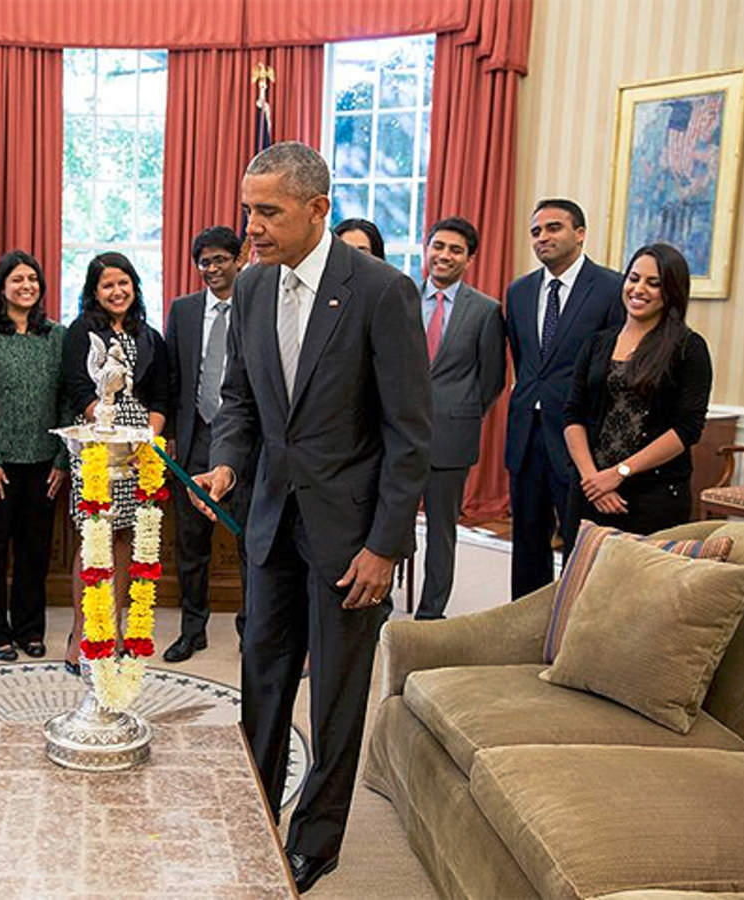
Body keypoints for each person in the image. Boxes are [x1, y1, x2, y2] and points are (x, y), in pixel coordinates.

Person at [191, 142, 431, 894]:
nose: (250, 227)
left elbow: (408, 434)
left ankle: (316, 841)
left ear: (317, 209)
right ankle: (255, 812)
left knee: (333, 696)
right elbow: (239, 402)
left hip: (349, 537)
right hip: (269, 527)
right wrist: (229, 462)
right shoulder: (254, 290)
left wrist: (385, 547)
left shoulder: (381, 291)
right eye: (247, 209)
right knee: (261, 679)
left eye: (268, 210)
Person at [505, 198, 624, 599]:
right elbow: (525, 363)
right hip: (526, 436)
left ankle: (574, 629)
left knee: (579, 546)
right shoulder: (519, 291)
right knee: (526, 544)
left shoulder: (611, 289)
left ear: (580, 233)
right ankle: (524, 626)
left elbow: (615, 369)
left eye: (553, 227)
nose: (543, 237)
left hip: (580, 438)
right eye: (536, 231)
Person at [61, 252, 169, 675]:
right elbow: (76, 390)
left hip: (139, 452)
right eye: (107, 285)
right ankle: (82, 633)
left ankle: (118, 630)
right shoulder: (80, 333)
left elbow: (161, 397)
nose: (117, 291)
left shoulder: (150, 337)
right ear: (94, 292)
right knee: (93, 539)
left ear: (134, 287)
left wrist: (147, 434)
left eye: (123, 283)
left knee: (126, 538)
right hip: (96, 450)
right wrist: (115, 428)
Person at [0, 250, 68, 661]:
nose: (27, 286)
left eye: (33, 280)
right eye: (18, 279)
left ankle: (29, 629)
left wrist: (61, 460)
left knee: (34, 551)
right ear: (1, 287)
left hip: (43, 464)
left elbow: (67, 400)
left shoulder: (56, 335)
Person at [563, 243, 711, 540]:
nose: (638, 289)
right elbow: (572, 415)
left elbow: (687, 429)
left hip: (653, 497)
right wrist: (593, 479)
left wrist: (619, 474)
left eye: (653, 283)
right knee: (580, 583)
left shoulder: (689, 348)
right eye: (633, 278)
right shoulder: (597, 343)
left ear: (671, 290)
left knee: (639, 586)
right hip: (590, 490)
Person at [164, 225, 251, 661]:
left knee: (248, 543)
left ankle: (249, 631)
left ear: (239, 259)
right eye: (204, 261)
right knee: (191, 543)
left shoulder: (258, 304)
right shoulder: (182, 310)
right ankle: (192, 630)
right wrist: (175, 436)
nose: (212, 268)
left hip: (245, 445)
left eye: (220, 259)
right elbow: (173, 377)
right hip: (195, 438)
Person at [415, 216, 505, 620]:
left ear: (469, 259)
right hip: (395, 435)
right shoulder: (399, 296)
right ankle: (374, 605)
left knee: (441, 533)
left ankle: (430, 613)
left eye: (455, 250)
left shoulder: (486, 311)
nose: (444, 256)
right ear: (426, 248)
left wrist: (459, 412)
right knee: (386, 525)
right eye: (439, 246)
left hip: (452, 438)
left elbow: (492, 381)